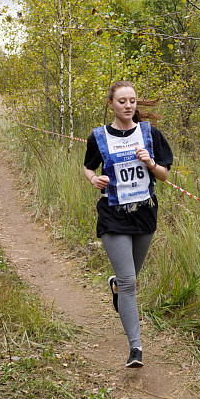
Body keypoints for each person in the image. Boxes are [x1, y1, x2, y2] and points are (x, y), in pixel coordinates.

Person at [82, 80, 173, 368]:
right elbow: (88, 167)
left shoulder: (149, 134)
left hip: (144, 213)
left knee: (130, 278)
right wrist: (93, 179)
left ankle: (117, 288)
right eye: (122, 101)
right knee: (129, 281)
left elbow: (164, 176)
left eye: (132, 100)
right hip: (113, 214)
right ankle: (136, 348)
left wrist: (150, 163)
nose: (128, 105)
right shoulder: (99, 137)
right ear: (111, 104)